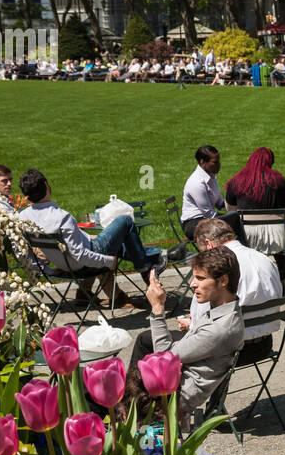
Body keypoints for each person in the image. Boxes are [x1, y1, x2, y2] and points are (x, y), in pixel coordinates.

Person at [126, 245, 245, 426]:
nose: (192, 284)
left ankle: (132, 415)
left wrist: (158, 308)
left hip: (170, 398)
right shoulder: (223, 309)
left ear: (223, 281)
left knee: (88, 389)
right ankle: (130, 407)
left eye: (200, 278)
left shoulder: (219, 329)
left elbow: (163, 357)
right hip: (175, 382)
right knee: (145, 340)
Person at [17, 168, 164, 307]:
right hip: (87, 262)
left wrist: (47, 270)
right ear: (46, 185)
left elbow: (23, 253)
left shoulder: (22, 218)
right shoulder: (62, 217)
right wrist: (108, 261)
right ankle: (148, 273)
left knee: (119, 238)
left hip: (63, 266)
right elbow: (80, 255)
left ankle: (158, 255)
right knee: (124, 221)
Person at [189, 218, 282, 364]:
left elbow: (198, 324)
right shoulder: (264, 259)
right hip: (264, 344)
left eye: (202, 252)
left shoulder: (216, 268)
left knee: (150, 342)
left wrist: (189, 323)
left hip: (229, 350)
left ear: (209, 243)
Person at [224, 147, 285, 288]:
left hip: (247, 233)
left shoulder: (236, 181)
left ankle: (249, 280)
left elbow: (230, 209)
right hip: (277, 233)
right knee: (282, 240)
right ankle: (282, 279)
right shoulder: (279, 180)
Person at [181, 145, 242, 241]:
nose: (219, 165)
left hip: (206, 219)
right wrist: (229, 217)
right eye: (215, 162)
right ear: (202, 162)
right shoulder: (197, 183)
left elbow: (218, 203)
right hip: (193, 224)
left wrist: (236, 205)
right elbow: (209, 214)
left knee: (237, 217)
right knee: (235, 220)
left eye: (219, 161)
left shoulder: (211, 177)